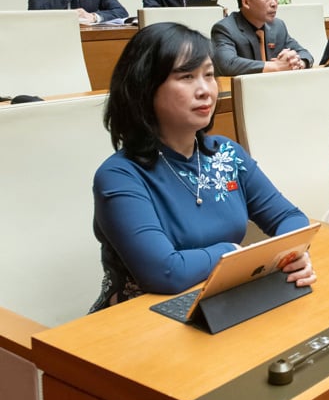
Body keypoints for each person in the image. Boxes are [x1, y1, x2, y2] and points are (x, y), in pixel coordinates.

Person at [90, 23, 314, 308]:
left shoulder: (226, 154)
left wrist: (290, 255)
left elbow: (291, 219)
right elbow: (165, 273)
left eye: (209, 75)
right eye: (186, 77)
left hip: (222, 302)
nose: (205, 90)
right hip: (141, 319)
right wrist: (233, 253)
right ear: (145, 87)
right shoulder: (121, 175)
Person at [211, 0, 312, 76]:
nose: (274, 4)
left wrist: (299, 63)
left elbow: (305, 54)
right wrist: (276, 67)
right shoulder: (225, 29)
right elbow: (227, 64)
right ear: (246, 2)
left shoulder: (278, 26)